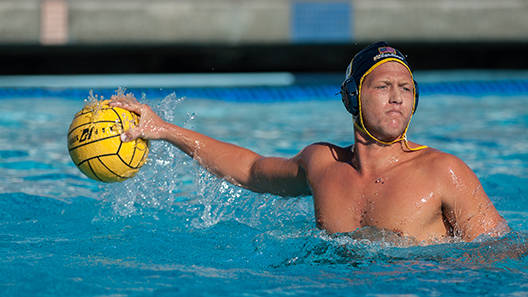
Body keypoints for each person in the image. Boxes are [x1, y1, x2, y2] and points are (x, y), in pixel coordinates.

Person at [109, 41, 509, 244]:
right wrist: (163, 130)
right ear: (352, 96)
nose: (397, 97)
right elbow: (250, 170)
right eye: (383, 86)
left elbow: (499, 252)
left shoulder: (443, 171)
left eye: (406, 87)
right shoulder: (322, 165)